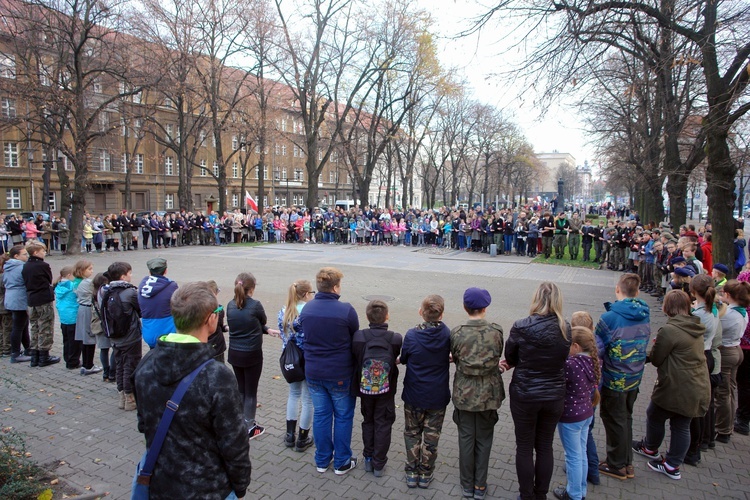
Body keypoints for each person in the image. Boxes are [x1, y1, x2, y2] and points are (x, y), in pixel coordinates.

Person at [133, 282, 252, 499]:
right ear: (210, 319)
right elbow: (234, 443)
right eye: (217, 311)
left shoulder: (146, 363)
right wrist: (240, 484)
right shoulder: (217, 377)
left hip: (160, 483)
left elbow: (144, 423)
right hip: (209, 488)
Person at [632, 290, 711, 480]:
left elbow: (658, 359)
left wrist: (639, 355)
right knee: (682, 424)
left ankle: (651, 448)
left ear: (668, 307)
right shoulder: (695, 326)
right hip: (697, 384)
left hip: (676, 385)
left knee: (655, 414)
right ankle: (672, 464)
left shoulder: (669, 330)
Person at [503, 282, 571, 500]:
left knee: (524, 446)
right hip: (553, 395)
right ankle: (540, 494)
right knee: (544, 445)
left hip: (526, 394)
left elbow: (511, 356)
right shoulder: (565, 327)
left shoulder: (522, 325)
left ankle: (526, 495)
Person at [299, 267, 360, 475]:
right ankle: (342, 461)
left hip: (314, 372)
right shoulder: (346, 310)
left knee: (322, 415)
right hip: (340, 373)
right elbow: (356, 339)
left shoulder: (307, 309)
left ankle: (322, 460)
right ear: (335, 287)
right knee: (343, 416)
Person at [596, 273, 651, 480]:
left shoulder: (609, 318)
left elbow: (598, 347)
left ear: (617, 290)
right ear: (637, 292)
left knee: (613, 419)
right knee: (625, 417)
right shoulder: (644, 313)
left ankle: (616, 464)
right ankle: (626, 461)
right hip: (635, 375)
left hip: (615, 377)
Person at [451, 288, 504, 500]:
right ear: (485, 308)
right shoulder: (496, 331)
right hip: (489, 393)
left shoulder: (457, 332)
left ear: (465, 307)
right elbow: (498, 354)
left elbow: (455, 357)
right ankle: (480, 485)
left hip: (464, 392)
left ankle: (466, 485)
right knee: (484, 438)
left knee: (465, 438)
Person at [400, 295, 451, 489]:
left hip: (414, 393)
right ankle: (426, 473)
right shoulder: (447, 334)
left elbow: (404, 358)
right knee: (432, 436)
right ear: (441, 314)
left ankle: (412, 472)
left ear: (421, 312)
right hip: (437, 395)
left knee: (412, 433)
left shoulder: (412, 335)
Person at [352, 300, 402, 477]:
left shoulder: (359, 337)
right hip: (386, 389)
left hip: (365, 389)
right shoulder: (395, 338)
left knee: (368, 421)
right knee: (383, 423)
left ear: (367, 316)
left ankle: (367, 459)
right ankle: (379, 464)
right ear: (387, 316)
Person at [226, 272, 279, 440]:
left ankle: (240, 422)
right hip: (252, 354)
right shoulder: (255, 305)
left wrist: (266, 329)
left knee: (241, 389)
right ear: (252, 288)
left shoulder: (230, 305)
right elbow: (260, 320)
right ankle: (249, 426)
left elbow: (254, 324)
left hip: (235, 353)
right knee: (250, 392)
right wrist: (265, 327)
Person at [554, 326, 600, 500]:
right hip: (586, 413)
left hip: (571, 417)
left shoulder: (571, 364)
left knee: (572, 456)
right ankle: (580, 491)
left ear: (576, 346)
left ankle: (573, 494)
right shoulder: (593, 361)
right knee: (580, 453)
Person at [685, 274, 722, 464]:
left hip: (698, 356)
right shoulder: (713, 309)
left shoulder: (699, 314)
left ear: (692, 291)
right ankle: (703, 441)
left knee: (695, 407)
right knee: (703, 404)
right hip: (707, 354)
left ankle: (693, 448)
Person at [277, 280, 315, 452]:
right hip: (306, 359)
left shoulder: (284, 311)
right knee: (308, 400)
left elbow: (283, 336)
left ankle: (289, 434)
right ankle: (303, 437)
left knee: (293, 395)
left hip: (289, 359)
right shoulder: (309, 312)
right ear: (307, 294)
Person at [715, 279, 750, 443]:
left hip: (727, 352)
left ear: (728, 295)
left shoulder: (729, 315)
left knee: (723, 393)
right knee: (729, 389)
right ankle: (726, 424)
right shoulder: (742, 311)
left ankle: (723, 429)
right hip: (736, 349)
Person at [104, 262, 142, 411]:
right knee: (130, 365)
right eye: (129, 273)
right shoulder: (130, 292)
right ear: (123, 276)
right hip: (130, 335)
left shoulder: (105, 291)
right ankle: (130, 397)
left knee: (119, 364)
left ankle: (121, 396)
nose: (131, 276)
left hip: (114, 335)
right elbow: (140, 310)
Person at [22, 242, 59, 367]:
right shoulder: (42, 265)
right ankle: (44, 355)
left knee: (34, 327)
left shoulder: (26, 265)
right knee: (45, 326)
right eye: (43, 251)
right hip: (43, 298)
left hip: (31, 299)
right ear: (36, 252)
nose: (44, 253)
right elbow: (48, 279)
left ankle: (34, 356)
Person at [138, 258, 178, 348]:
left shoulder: (142, 286)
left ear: (149, 272)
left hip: (149, 331)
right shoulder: (172, 286)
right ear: (165, 271)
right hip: (167, 331)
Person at [4, 245, 31, 363]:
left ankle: (27, 349)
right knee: (18, 326)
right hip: (18, 298)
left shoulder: (8, 266)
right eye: (24, 254)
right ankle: (15, 353)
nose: (27, 256)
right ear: (16, 256)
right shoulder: (20, 267)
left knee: (23, 325)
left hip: (12, 297)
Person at [74, 260, 101, 375]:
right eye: (89, 269)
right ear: (81, 270)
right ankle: (88, 365)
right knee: (89, 337)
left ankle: (86, 363)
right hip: (87, 309)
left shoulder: (76, 282)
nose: (92, 271)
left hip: (82, 309)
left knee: (85, 337)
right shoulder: (87, 283)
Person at [54, 265, 81, 369]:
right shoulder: (72, 286)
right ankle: (73, 361)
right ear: (70, 275)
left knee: (66, 340)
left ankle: (67, 358)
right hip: (72, 315)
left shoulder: (59, 285)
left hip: (63, 317)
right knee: (74, 341)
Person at [0, 254, 12, 357]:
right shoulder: (4, 277)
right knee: (7, 327)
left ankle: (2, 347)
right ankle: (7, 348)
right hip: (4, 305)